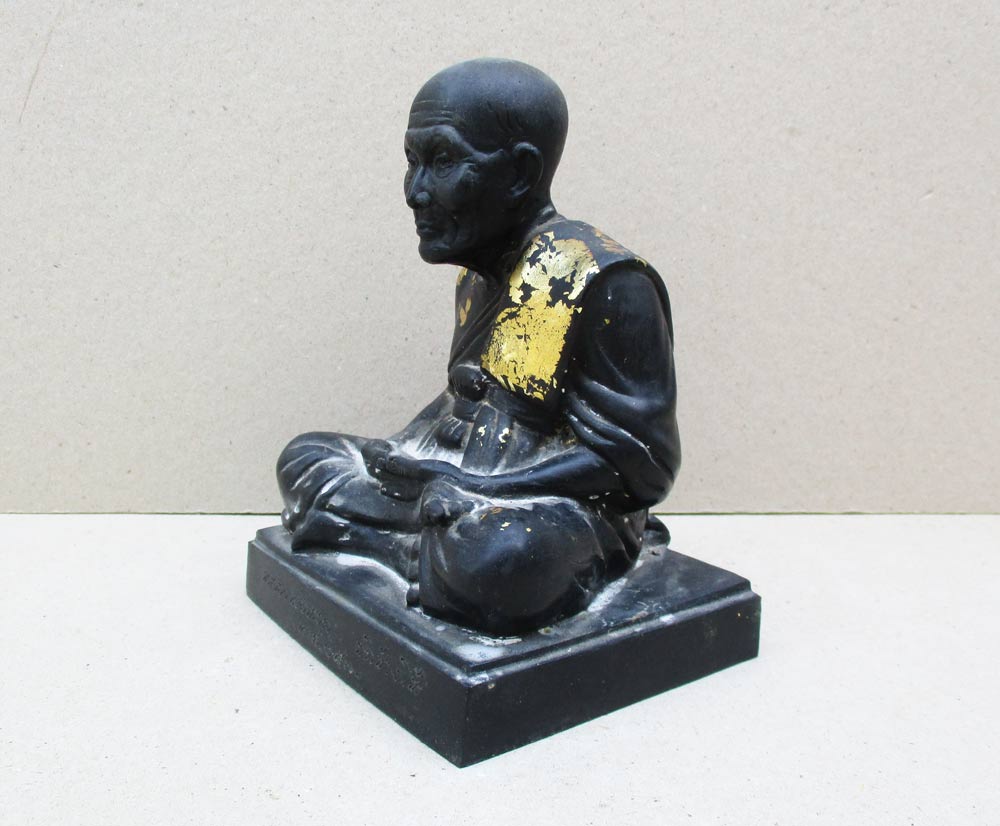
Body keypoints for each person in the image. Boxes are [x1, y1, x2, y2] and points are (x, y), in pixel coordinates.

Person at [277, 58, 680, 635]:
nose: (415, 193)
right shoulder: (477, 273)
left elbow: (640, 469)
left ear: (519, 173)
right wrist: (403, 454)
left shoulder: (601, 280)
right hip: (452, 486)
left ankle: (395, 547)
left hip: (545, 506)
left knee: (502, 559)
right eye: (412, 162)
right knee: (305, 456)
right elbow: (465, 399)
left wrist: (484, 489)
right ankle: (418, 555)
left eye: (443, 162)